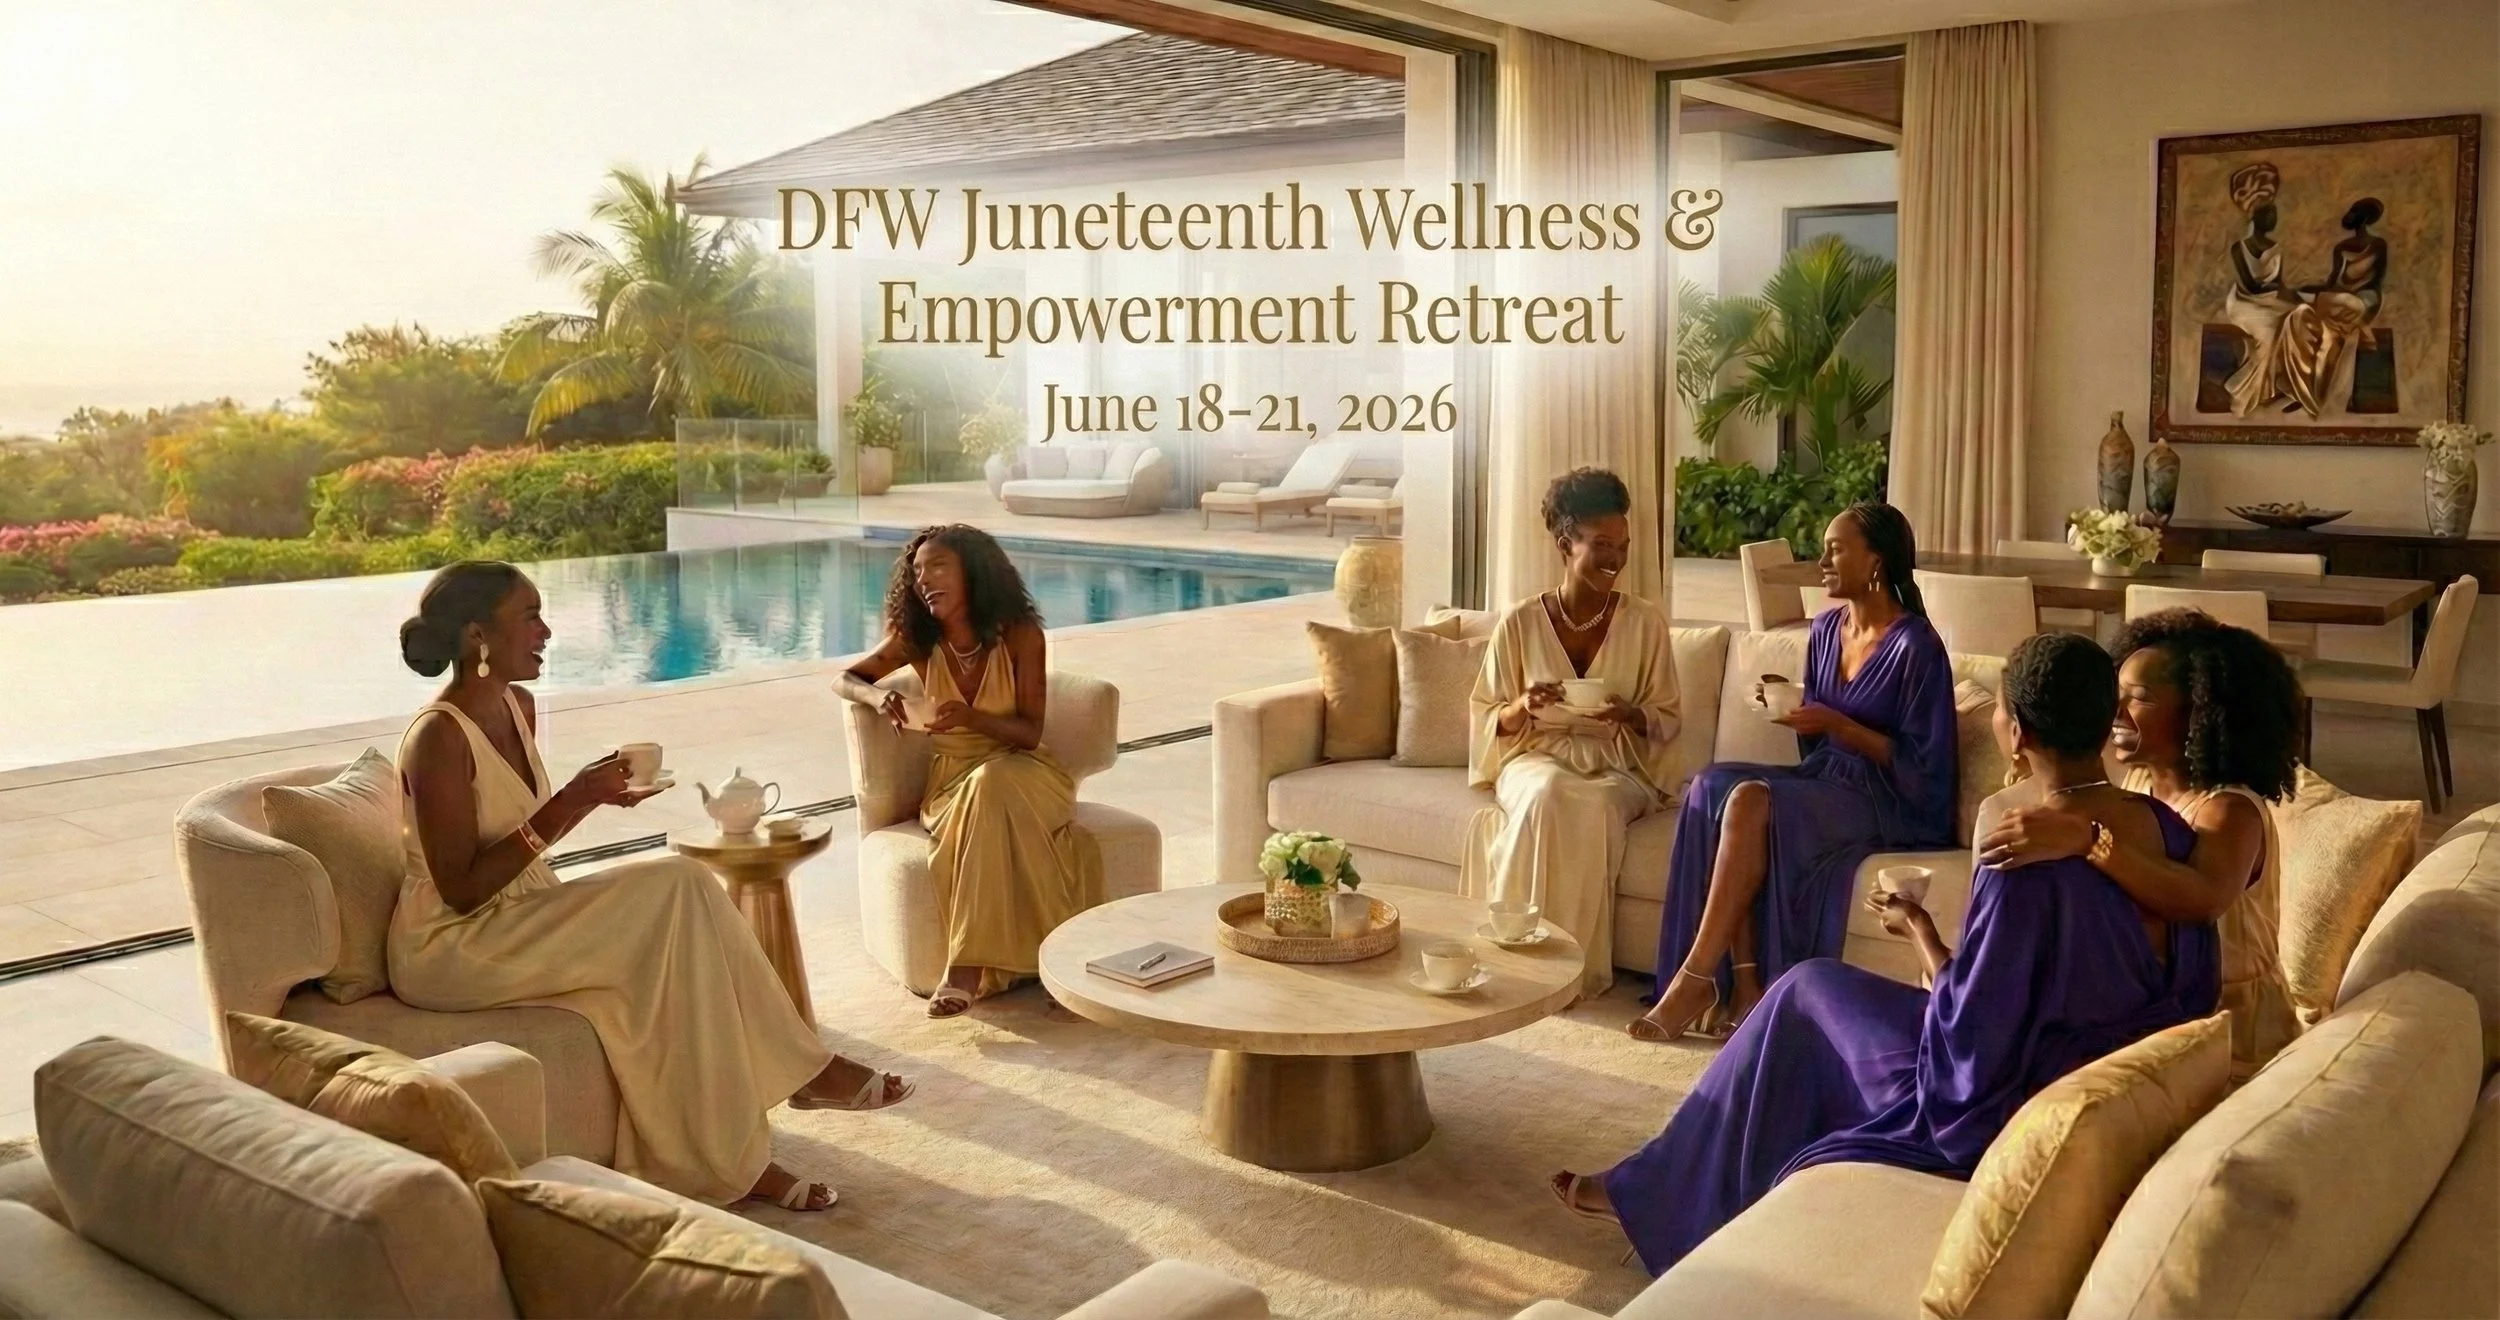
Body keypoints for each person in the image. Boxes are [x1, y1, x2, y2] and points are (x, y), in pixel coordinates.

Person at [1555, 633, 2221, 1275]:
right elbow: (2179, 980)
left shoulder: (2018, 847)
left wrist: (1922, 936)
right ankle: (1682, 1191)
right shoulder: (2161, 829)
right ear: (2106, 722)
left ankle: (1654, 1194)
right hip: (2100, 1080)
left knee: (1804, 994)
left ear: (2015, 733)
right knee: (1812, 1001)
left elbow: (1968, 1045)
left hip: (2006, 1100)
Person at [391, 562, 910, 1214]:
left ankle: (741, 1156)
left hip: (518, 913)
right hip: (452, 944)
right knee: (675, 887)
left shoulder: (515, 705)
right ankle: (805, 1072)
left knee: (683, 912)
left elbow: (515, 833)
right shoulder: (436, 737)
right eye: (530, 616)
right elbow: (462, 890)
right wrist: (574, 800)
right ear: (477, 635)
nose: (547, 631)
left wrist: (594, 797)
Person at [1630, 502, 1957, 1042]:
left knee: (1750, 800)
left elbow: (1927, 767)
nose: (1822, 560)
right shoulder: (1826, 630)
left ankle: (1696, 980)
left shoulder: (1916, 646)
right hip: (1830, 779)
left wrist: (1839, 723)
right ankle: (1745, 984)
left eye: (1836, 548)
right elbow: (1815, 748)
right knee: (1713, 784)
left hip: (1889, 798)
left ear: (1876, 560)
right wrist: (1798, 711)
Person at [1979, 608, 2301, 1080]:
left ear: (2199, 712)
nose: (2115, 712)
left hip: (2238, 1033)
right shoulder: (2136, 783)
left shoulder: (2229, 810)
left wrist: (2091, 840)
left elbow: (2201, 900)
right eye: (2116, 695)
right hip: (2165, 1011)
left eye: (2140, 698)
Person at [834, 524, 1102, 1019]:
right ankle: (1050, 959)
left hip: (1026, 772)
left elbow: (1029, 732)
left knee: (994, 781)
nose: (924, 580)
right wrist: (880, 695)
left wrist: (972, 717)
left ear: (973, 573)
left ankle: (967, 967)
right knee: (983, 788)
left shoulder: (1021, 636)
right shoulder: (916, 640)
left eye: (938, 566)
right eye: (916, 572)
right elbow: (846, 679)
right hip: (954, 782)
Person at [1464, 468, 1682, 999]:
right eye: (1602, 544)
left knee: (1595, 805)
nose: (1616, 558)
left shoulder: (1645, 622)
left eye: (1623, 545)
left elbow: (1668, 717)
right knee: (1546, 791)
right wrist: (1523, 704)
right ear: (1566, 543)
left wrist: (1629, 714)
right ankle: (1519, 953)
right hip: (1534, 757)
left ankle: (1572, 972)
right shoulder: (1518, 622)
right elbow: (1487, 716)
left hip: (1618, 766)